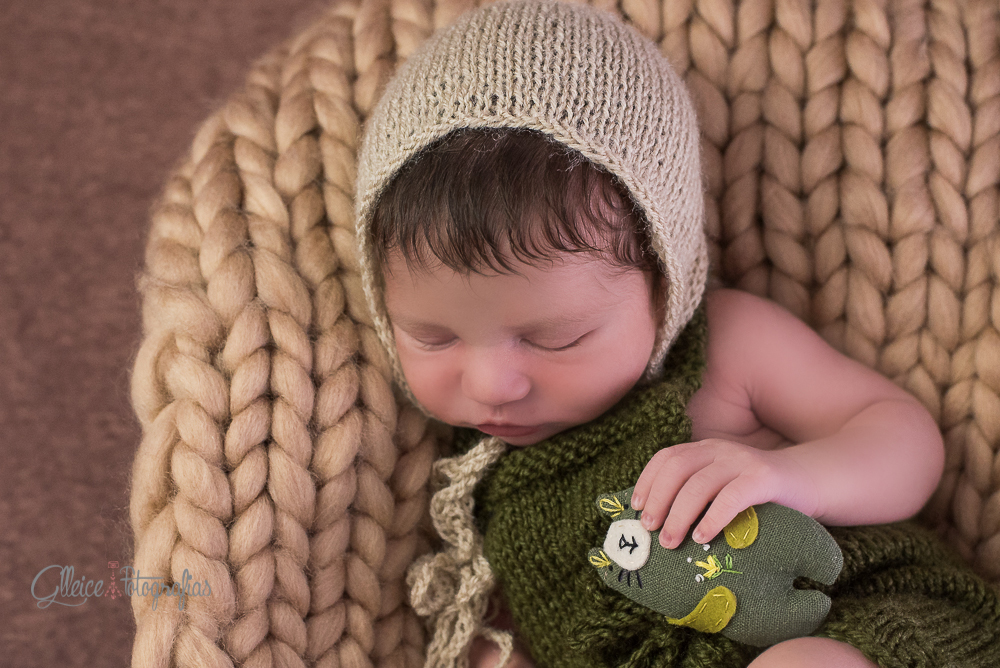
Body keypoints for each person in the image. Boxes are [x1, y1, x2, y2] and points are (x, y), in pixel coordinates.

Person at [352, 2, 1000, 667]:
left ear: (666, 281)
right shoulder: (472, 480)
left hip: (866, 624)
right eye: (432, 337)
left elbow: (905, 441)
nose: (492, 384)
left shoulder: (729, 348)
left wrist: (794, 477)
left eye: (557, 338)